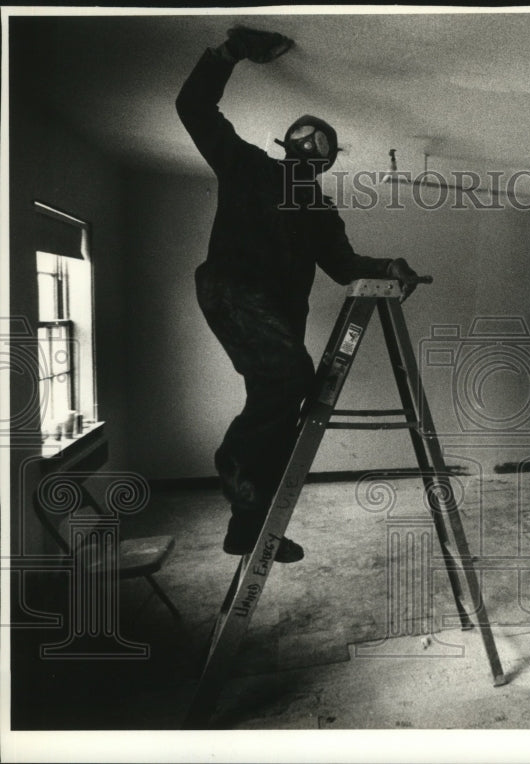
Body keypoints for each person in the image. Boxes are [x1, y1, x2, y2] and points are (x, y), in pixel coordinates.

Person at [176, 26, 419, 563]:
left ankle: (251, 525)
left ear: (327, 164)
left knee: (281, 404)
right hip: (233, 290)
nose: (309, 152)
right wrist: (227, 54)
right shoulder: (248, 169)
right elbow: (193, 106)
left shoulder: (320, 212)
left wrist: (388, 266)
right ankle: (233, 465)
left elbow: (343, 266)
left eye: (320, 150)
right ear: (286, 146)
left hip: (273, 313)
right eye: (303, 143)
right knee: (289, 379)